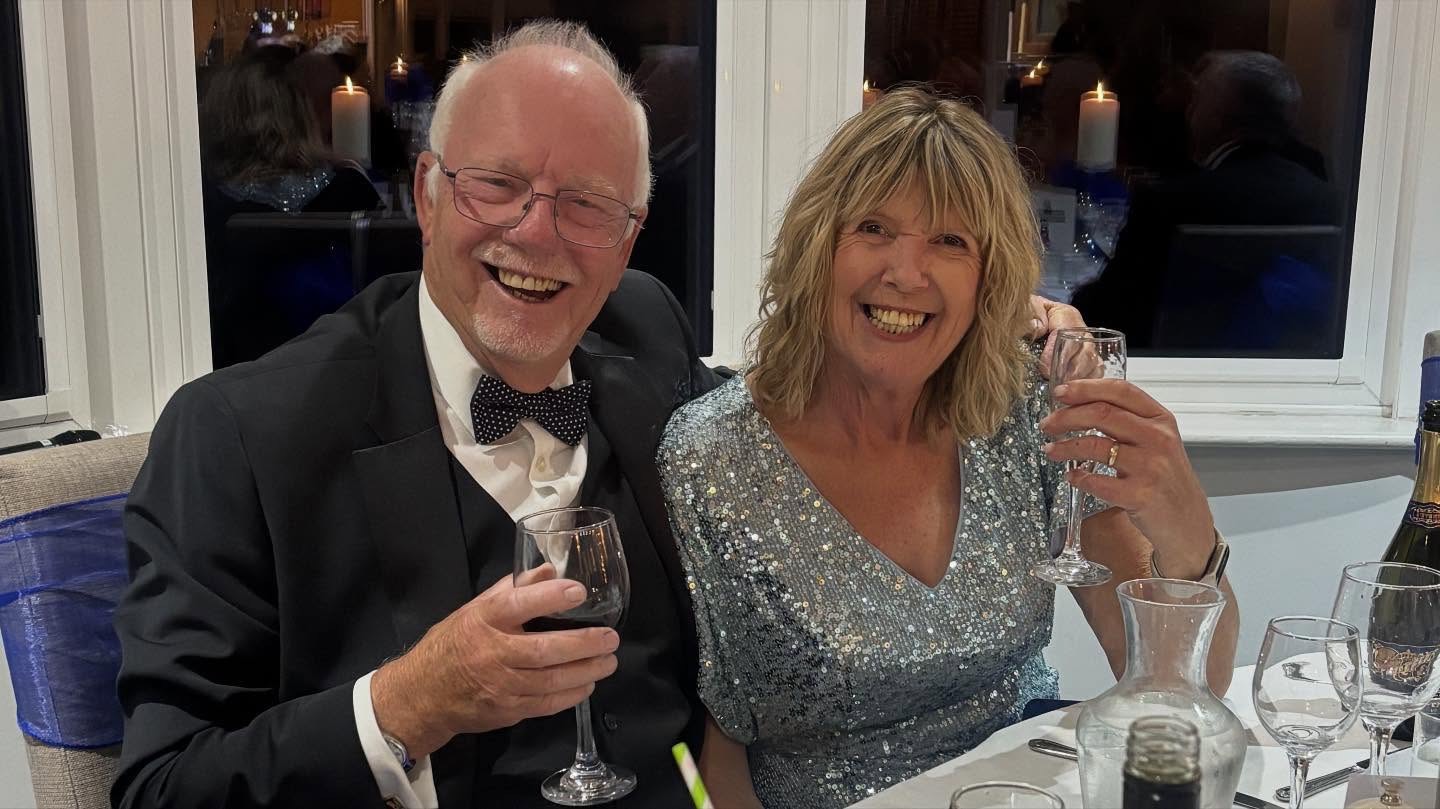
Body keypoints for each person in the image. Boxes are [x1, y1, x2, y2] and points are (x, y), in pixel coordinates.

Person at [115, 22, 1084, 809]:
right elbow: (162, 784)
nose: (537, 233)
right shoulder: (240, 435)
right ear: (427, 194)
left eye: (585, 204)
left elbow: (789, 406)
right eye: (498, 185)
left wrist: (991, 321)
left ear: (627, 239)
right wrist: (409, 701)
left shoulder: (646, 338)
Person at [657, 87, 1239, 809]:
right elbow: (714, 744)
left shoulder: (1026, 410)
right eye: (873, 228)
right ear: (817, 247)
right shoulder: (712, 455)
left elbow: (1183, 685)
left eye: (950, 241)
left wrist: (1184, 518)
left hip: (1026, 791)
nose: (906, 273)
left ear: (990, 279)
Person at [1071, 50, 1339, 350]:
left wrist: (1067, 305)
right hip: (1294, 365)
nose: (1188, 113)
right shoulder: (1327, 201)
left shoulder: (1171, 203)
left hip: (1175, 366)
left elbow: (1111, 309)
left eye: (1197, 102)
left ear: (1217, 118)